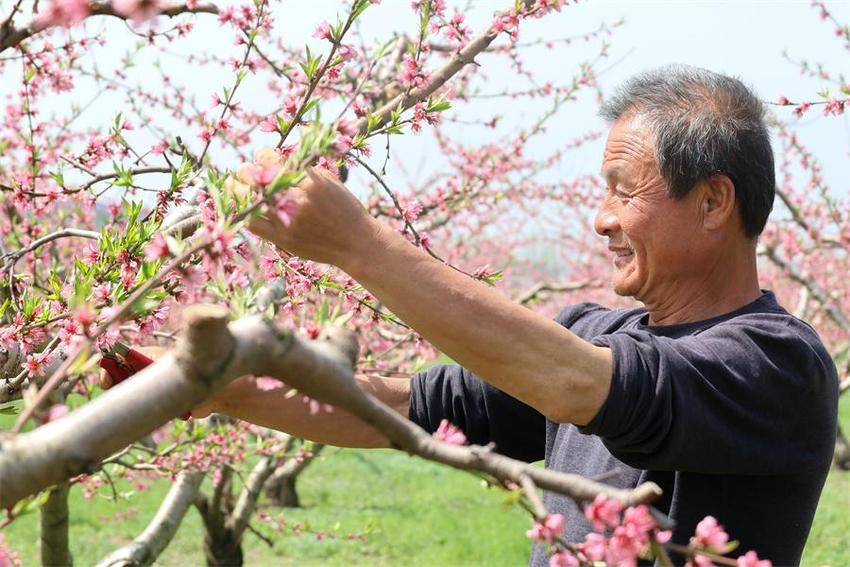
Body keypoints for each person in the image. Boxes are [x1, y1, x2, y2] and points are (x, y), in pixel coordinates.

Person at [182, 65, 837, 564]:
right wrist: (209, 384)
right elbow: (395, 407)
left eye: (623, 190)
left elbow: (583, 386)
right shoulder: (591, 333)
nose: (602, 219)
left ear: (713, 201)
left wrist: (359, 243)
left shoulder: (780, 363)